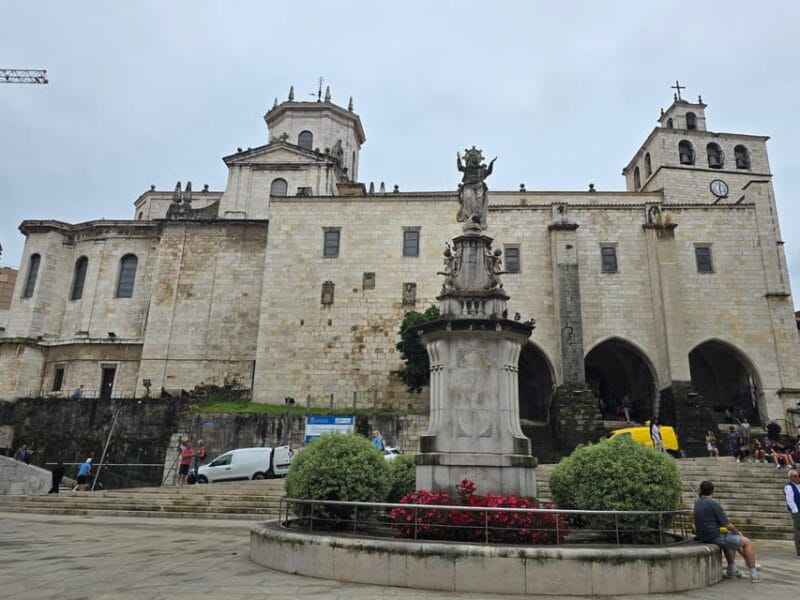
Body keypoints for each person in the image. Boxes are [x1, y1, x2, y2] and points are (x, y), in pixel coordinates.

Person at [694, 480, 761, 582]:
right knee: (747, 542)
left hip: (704, 535)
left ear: (701, 490)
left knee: (728, 537)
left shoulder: (697, 502)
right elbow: (727, 524)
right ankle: (753, 573)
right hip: (713, 536)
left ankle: (732, 569)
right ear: (713, 491)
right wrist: (737, 532)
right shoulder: (713, 503)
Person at [785, 469, 800, 557]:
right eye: (795, 476)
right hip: (796, 512)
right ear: (790, 477)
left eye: (797, 475)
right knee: (798, 530)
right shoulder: (789, 486)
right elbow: (790, 500)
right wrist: (796, 511)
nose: (797, 477)